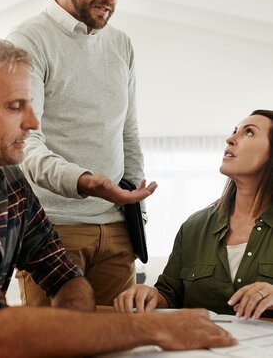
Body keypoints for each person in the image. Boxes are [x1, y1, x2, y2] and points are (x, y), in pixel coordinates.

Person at [0, 32, 236, 357]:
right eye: (14, 106)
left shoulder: (9, 182)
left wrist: (74, 332)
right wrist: (151, 328)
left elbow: (65, 276)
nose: (33, 122)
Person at [6, 0, 154, 308]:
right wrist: (86, 180)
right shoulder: (27, 42)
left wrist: (132, 198)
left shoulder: (121, 46)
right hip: (52, 231)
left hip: (118, 233)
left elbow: (128, 133)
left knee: (120, 348)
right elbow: (24, 146)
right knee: (55, 349)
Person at [115, 110, 273, 321]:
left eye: (249, 132)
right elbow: (169, 295)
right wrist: (150, 295)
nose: (230, 139)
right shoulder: (194, 227)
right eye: (234, 131)